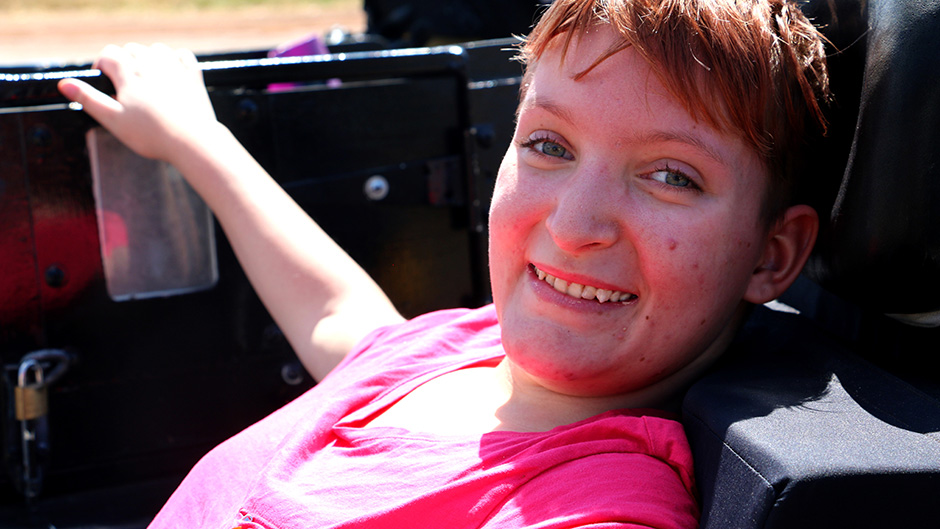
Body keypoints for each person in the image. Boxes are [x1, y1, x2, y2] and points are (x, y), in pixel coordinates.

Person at [57, 0, 830, 527]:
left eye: (671, 175)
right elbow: (340, 315)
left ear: (773, 254)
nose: (573, 225)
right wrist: (194, 136)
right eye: (550, 146)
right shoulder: (457, 347)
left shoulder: (598, 499)